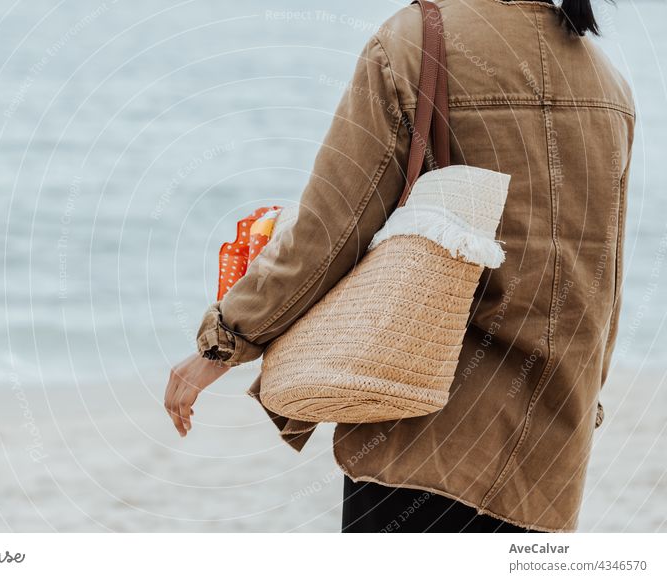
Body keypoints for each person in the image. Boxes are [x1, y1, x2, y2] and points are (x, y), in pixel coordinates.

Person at [164, 0, 635, 533]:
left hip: (421, 434)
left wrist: (223, 342)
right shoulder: (606, 82)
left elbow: (330, 231)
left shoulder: (414, 42)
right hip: (545, 455)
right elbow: (602, 282)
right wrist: (578, 411)